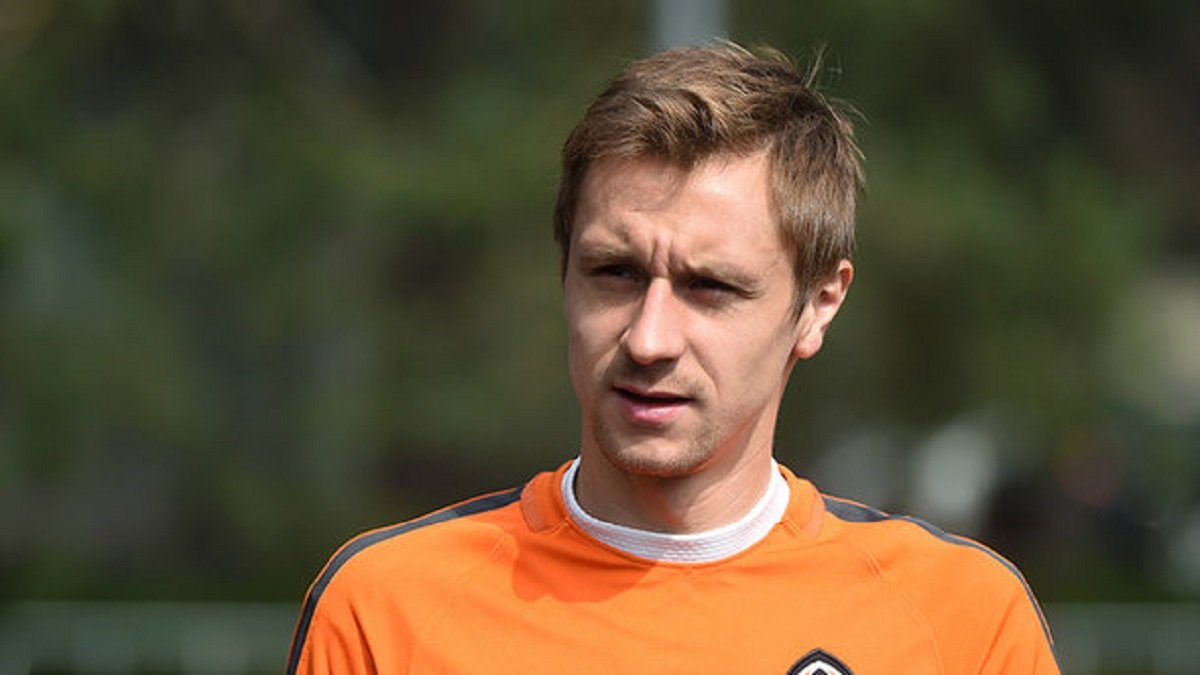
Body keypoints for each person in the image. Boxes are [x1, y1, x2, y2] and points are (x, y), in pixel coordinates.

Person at [286, 42, 1060, 674]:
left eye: (710, 286)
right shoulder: (386, 610)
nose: (648, 338)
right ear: (563, 272)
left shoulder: (962, 620)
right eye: (614, 272)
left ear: (819, 303)